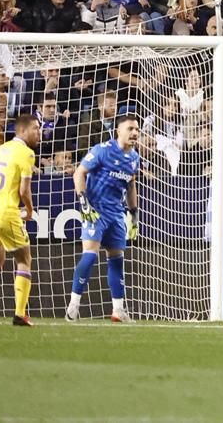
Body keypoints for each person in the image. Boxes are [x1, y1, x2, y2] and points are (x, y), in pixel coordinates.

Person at [66, 114, 140, 322]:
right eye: (130, 129)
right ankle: (73, 306)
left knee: (117, 259)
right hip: (95, 210)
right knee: (90, 255)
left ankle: (118, 310)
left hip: (117, 214)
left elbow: (132, 184)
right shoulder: (102, 150)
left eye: (136, 129)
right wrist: (83, 202)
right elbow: (78, 173)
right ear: (118, 131)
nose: (134, 133)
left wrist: (133, 213)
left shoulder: (134, 158)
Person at [0, 112, 41, 326]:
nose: (39, 132)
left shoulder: (0, 149)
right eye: (35, 128)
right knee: (24, 260)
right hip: (6, 213)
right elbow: (24, 190)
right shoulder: (26, 153)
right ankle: (20, 314)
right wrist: (29, 210)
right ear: (22, 130)